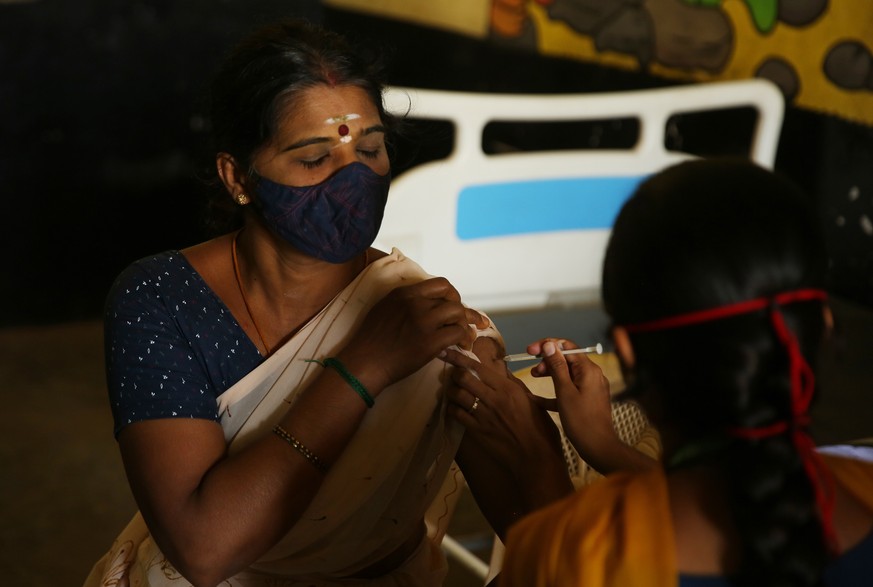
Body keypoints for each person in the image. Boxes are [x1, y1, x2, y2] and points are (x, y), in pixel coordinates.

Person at [83, 18, 532, 587]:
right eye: (314, 160)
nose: (353, 179)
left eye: (369, 149)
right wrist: (365, 366)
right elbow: (204, 548)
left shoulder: (424, 319)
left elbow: (545, 532)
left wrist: (527, 434)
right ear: (237, 176)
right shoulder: (162, 301)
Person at [442, 158, 873, 586]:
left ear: (626, 353)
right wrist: (604, 447)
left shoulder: (574, 553)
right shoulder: (862, 486)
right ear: (823, 328)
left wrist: (538, 462)